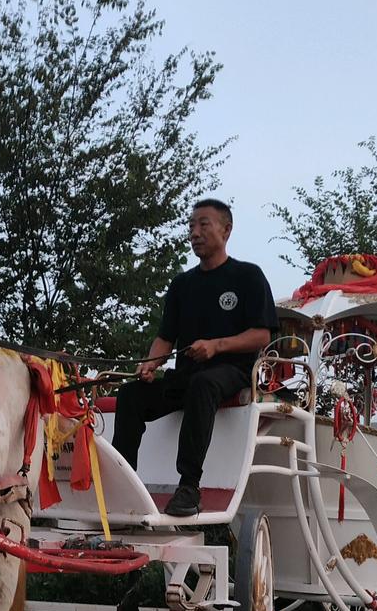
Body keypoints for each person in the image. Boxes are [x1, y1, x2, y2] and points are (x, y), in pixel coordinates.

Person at [112, 199, 279, 516]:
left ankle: (189, 486)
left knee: (203, 383)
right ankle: (125, 484)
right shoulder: (182, 284)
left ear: (226, 230)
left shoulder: (248, 276)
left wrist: (216, 346)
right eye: (191, 226)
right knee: (131, 394)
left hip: (232, 372)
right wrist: (150, 364)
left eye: (204, 224)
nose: (195, 233)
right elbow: (165, 338)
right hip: (185, 376)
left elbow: (262, 335)